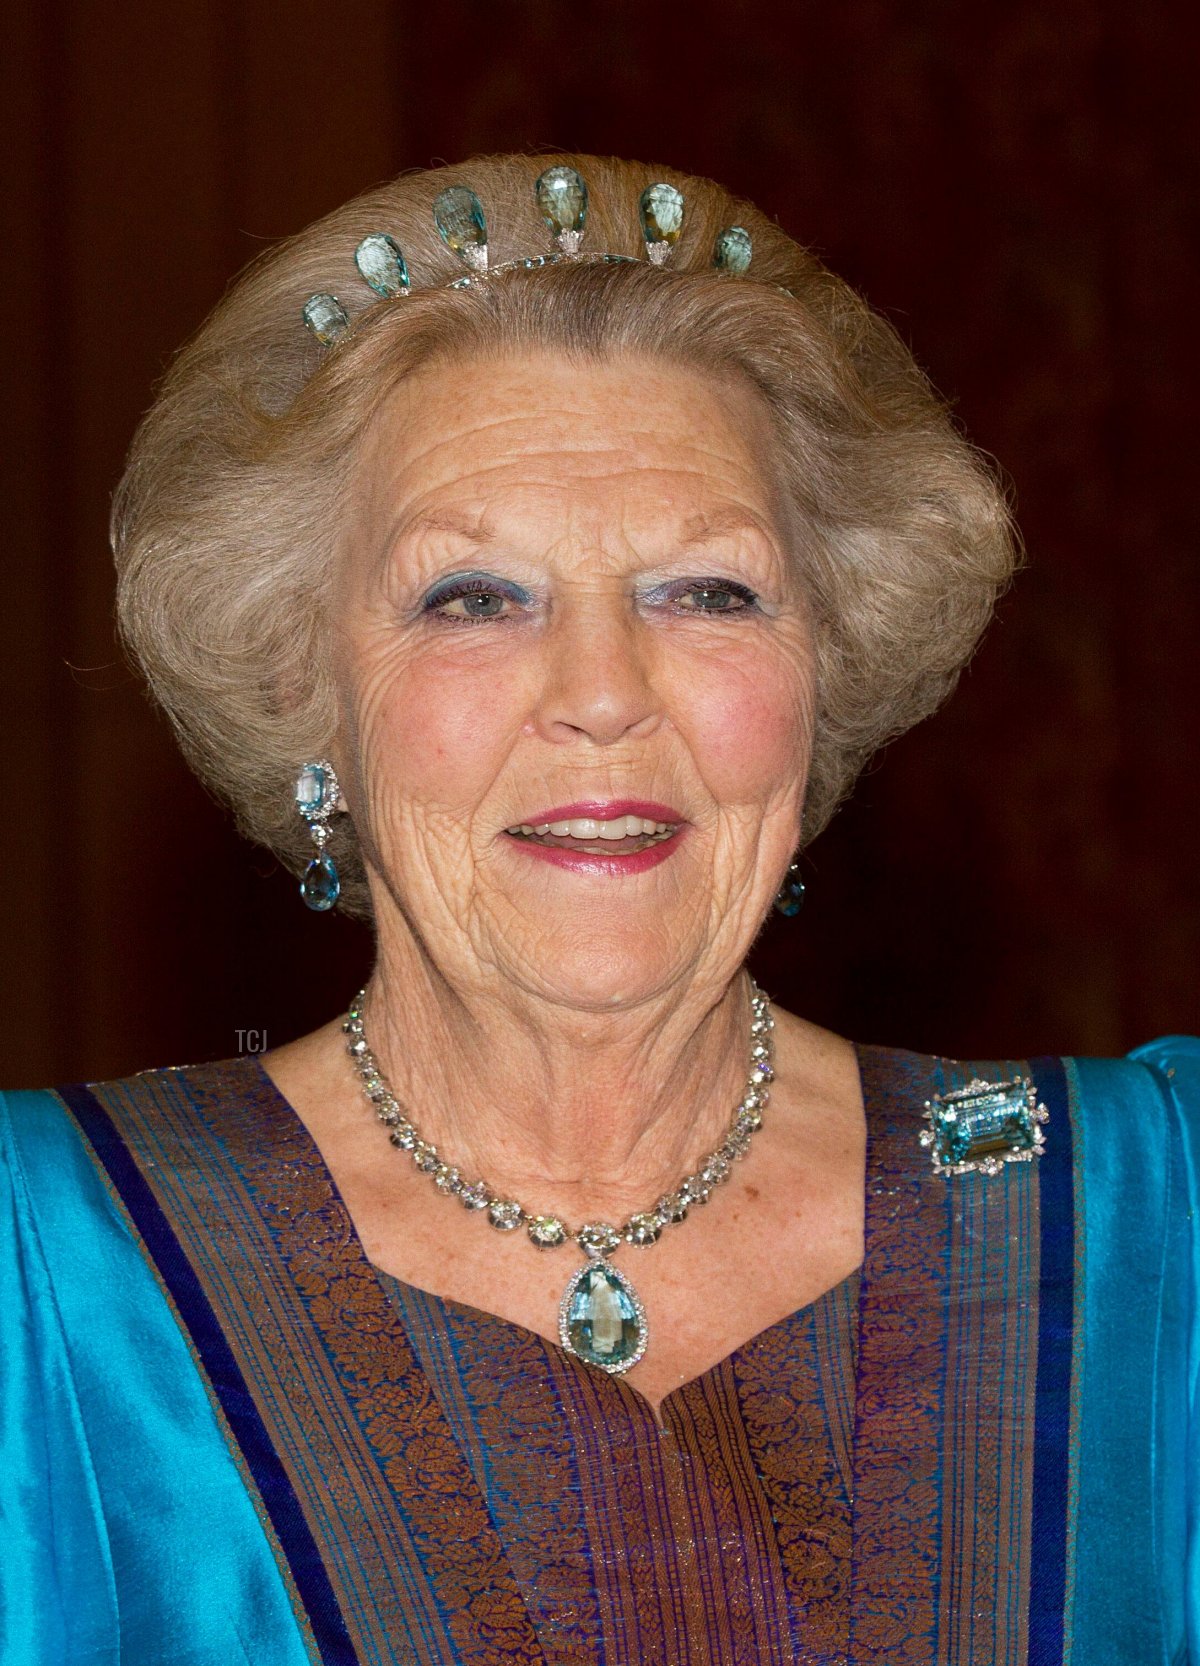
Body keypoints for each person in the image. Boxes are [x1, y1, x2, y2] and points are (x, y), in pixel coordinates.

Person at [0, 151, 1195, 1666]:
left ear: (821, 675)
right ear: (310, 693)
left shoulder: (1157, 1229)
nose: (603, 698)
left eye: (708, 592)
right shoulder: (43, 1275)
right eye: (472, 599)